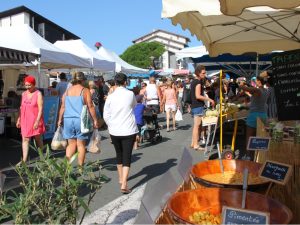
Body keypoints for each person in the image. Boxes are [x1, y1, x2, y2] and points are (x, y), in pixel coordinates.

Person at [103, 73, 138, 194]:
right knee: (127, 156)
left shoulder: (110, 96)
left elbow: (106, 114)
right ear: (125, 82)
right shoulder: (130, 94)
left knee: (119, 154)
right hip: (128, 128)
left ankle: (120, 178)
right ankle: (124, 183)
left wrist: (110, 125)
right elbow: (134, 105)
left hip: (114, 130)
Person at [57, 72, 99, 166]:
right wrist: (95, 120)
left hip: (68, 119)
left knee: (71, 144)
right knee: (81, 145)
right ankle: (80, 168)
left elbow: (63, 106)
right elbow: (90, 106)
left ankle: (67, 167)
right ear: (83, 80)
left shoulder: (68, 91)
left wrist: (59, 119)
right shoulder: (85, 90)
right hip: (80, 120)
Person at [238, 73, 268, 160]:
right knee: (261, 137)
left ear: (259, 81)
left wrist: (241, 84)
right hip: (263, 115)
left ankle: (248, 156)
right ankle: (260, 157)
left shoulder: (258, 90)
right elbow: (253, 94)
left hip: (254, 115)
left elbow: (244, 88)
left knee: (249, 137)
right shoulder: (266, 91)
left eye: (256, 81)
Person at [16, 75, 45, 162]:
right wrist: (19, 118)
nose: (27, 87)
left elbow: (40, 109)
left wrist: (37, 121)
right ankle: (24, 160)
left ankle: (42, 155)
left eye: (29, 85)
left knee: (38, 138)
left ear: (33, 84)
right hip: (25, 119)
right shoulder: (24, 94)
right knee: (25, 139)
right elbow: (21, 107)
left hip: (35, 119)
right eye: (26, 85)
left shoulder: (38, 94)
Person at [190, 65, 215, 150]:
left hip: (195, 105)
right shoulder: (198, 82)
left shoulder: (194, 81)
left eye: (205, 73)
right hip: (198, 105)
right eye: (203, 73)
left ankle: (193, 143)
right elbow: (198, 96)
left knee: (196, 126)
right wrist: (209, 99)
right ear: (198, 73)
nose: (205, 74)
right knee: (197, 125)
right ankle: (196, 144)